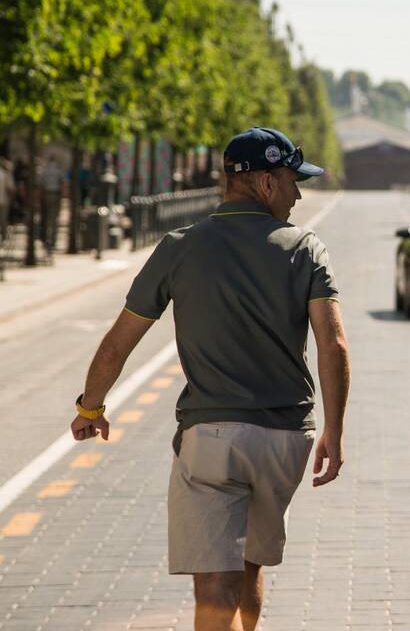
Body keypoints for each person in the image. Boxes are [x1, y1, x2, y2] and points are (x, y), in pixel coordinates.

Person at [70, 127, 351, 631]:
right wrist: (335, 429)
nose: (298, 194)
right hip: (287, 438)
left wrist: (91, 407)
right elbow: (333, 344)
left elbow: (117, 343)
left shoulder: (180, 246)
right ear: (265, 183)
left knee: (213, 581)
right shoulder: (306, 248)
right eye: (292, 181)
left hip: (211, 436)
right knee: (249, 566)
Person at [39, 155, 64, 251]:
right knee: (54, 218)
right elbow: (63, 182)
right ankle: (53, 240)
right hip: (56, 194)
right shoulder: (58, 169)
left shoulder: (45, 170)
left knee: (46, 218)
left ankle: (46, 239)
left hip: (46, 194)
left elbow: (41, 183)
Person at [0, 158, 13, 242]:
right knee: (3, 219)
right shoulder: (5, 174)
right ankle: (3, 236)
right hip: (3, 199)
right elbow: (10, 188)